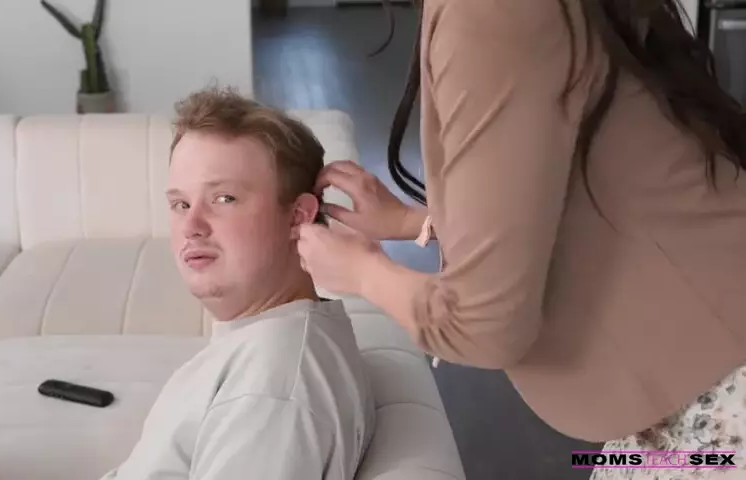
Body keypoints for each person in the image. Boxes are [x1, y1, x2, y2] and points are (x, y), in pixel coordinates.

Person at [296, 0, 746, 478]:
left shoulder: (489, 13)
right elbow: (573, 184)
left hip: (719, 390)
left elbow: (482, 325)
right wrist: (413, 222)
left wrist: (363, 272)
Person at [102, 87, 375, 480]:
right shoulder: (268, 341)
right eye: (181, 204)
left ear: (298, 216)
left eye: (224, 198)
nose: (191, 226)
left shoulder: (272, 390)